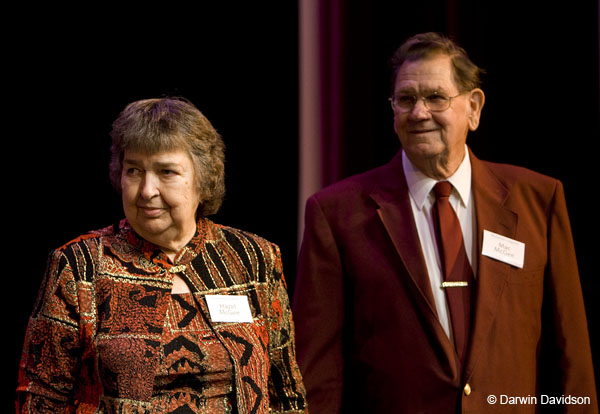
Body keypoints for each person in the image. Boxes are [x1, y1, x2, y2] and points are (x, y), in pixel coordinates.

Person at [292, 32, 597, 413]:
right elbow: (318, 369)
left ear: (474, 108)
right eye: (406, 100)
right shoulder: (337, 213)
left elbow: (570, 353)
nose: (419, 113)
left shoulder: (538, 200)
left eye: (436, 98)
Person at [17, 97, 307, 413]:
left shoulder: (253, 258)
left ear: (203, 178)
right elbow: (41, 399)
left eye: (166, 171)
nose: (146, 190)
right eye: (134, 170)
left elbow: (286, 391)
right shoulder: (81, 265)